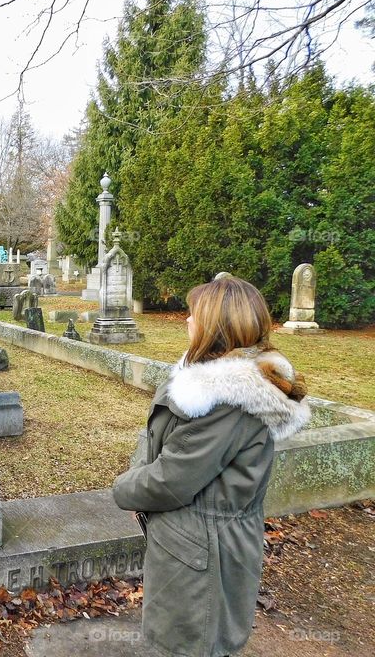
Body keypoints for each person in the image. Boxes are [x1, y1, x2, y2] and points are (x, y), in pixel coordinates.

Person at [112, 276, 310, 657]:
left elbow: (172, 479)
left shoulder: (226, 399)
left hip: (200, 548)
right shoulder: (219, 388)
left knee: (191, 643)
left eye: (193, 315)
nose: (186, 321)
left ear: (216, 328)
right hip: (202, 541)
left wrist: (123, 488)